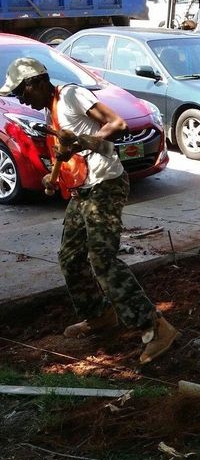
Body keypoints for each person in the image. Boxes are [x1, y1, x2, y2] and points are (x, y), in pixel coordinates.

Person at [0, 57, 180, 365]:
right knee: (70, 258)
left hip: (106, 184)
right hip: (83, 190)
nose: (21, 100)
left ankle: (155, 327)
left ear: (36, 82)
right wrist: (53, 176)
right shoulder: (51, 110)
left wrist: (81, 141)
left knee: (102, 258)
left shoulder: (71, 95)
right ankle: (98, 315)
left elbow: (117, 124)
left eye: (21, 92)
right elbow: (67, 155)